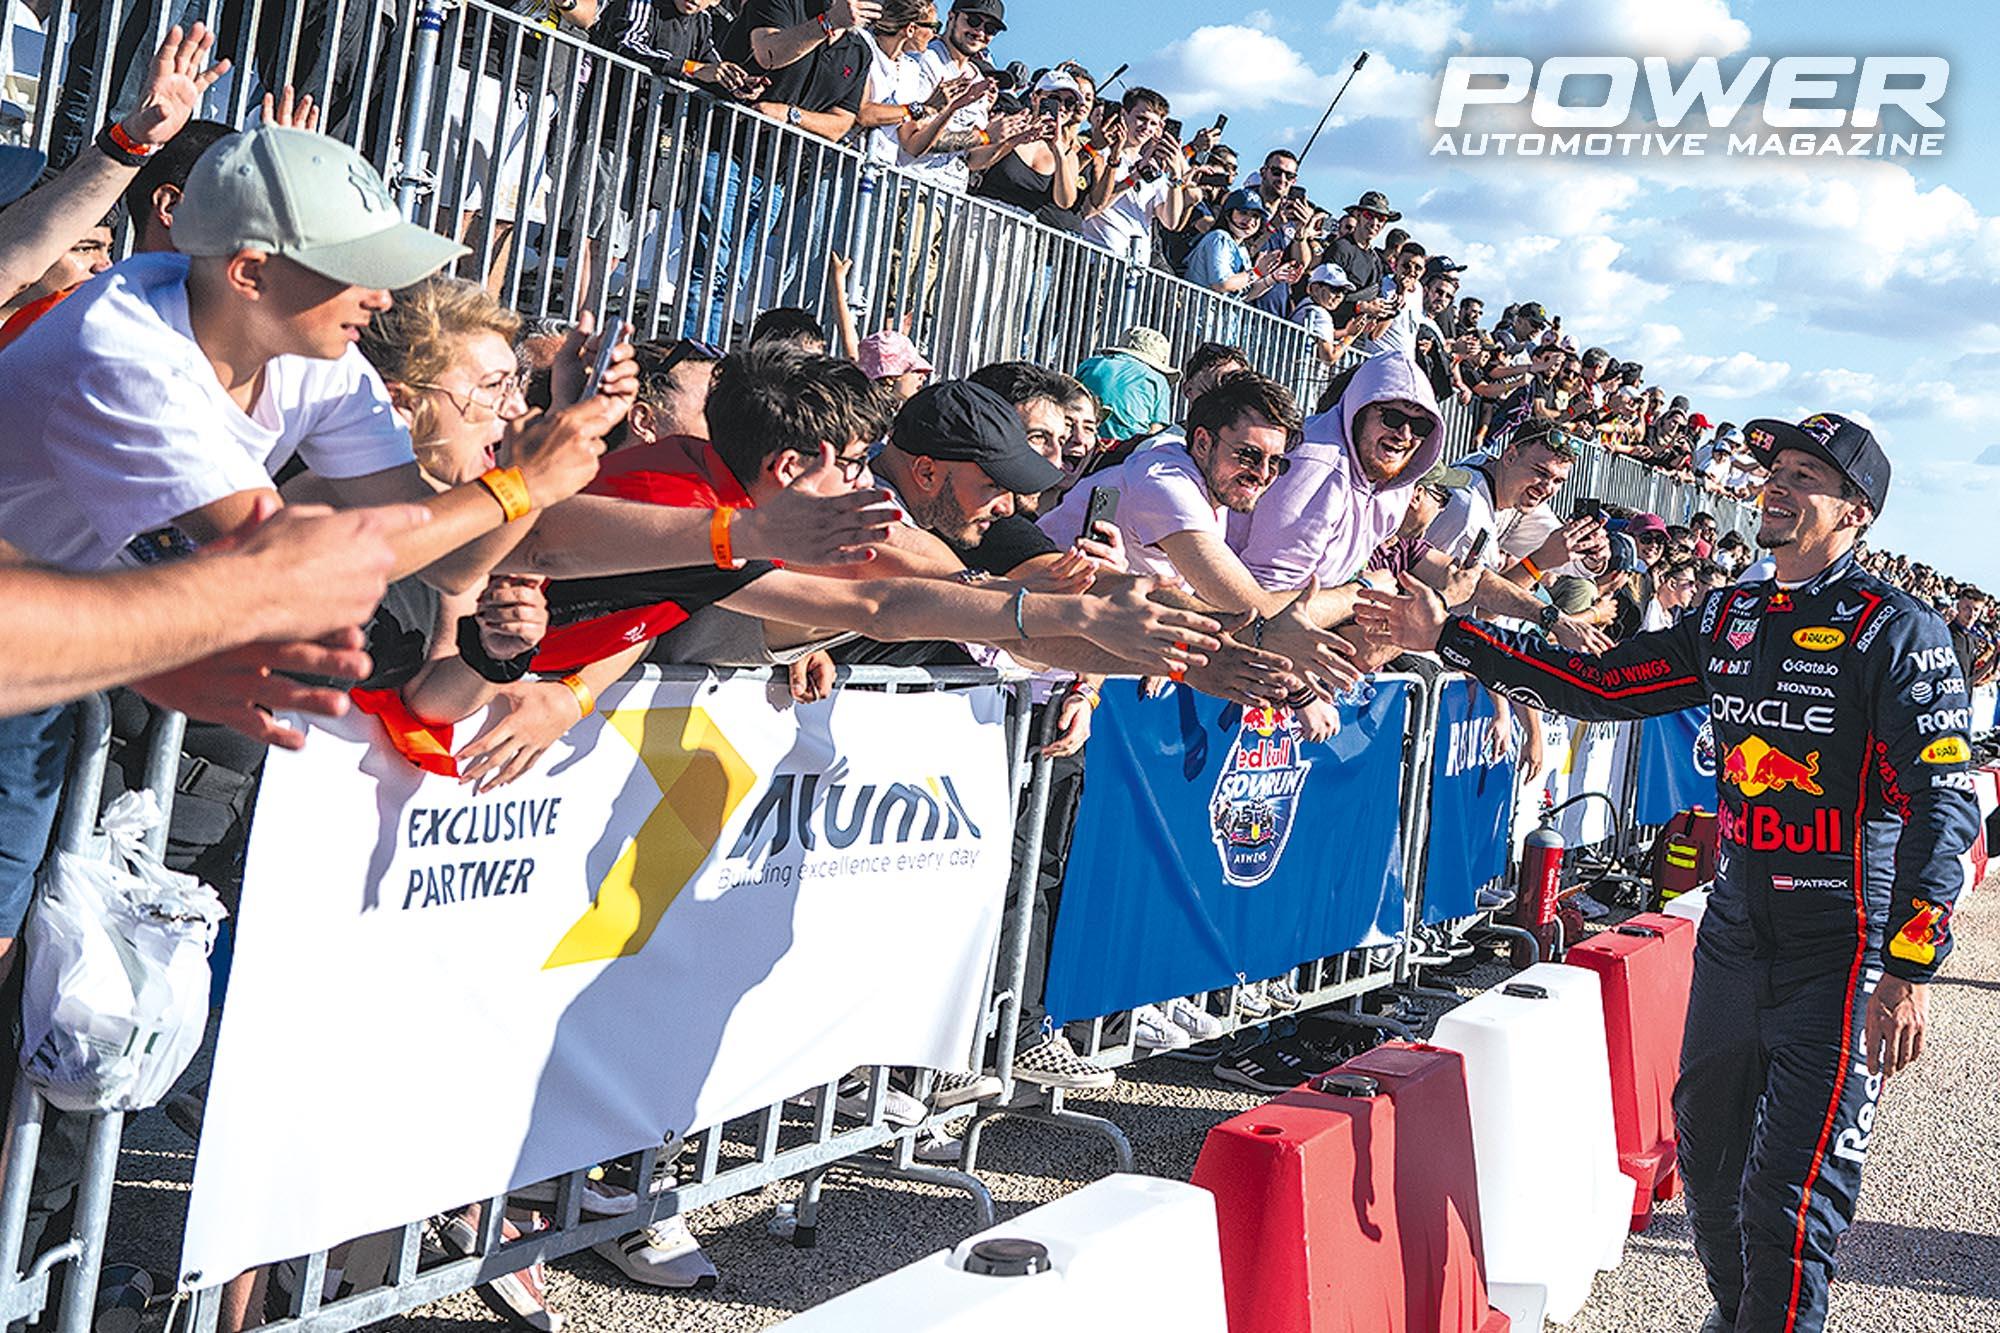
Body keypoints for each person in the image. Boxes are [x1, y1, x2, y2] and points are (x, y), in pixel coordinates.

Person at [1356, 411, 1976, 1333]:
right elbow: (1600, 686)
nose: (1778, 485)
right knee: (1710, 1166)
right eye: (1776, 469)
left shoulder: (1897, 629)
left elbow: (1944, 805)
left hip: (1843, 947)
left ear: (1856, 512)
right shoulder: (1728, 615)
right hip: (1735, 932)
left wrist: (1911, 967)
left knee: (1789, 1197)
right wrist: (1452, 636)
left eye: (1806, 476)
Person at [1184, 188, 1298, 302]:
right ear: (1228, 214)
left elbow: (1244, 295)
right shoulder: (1219, 237)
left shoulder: (1242, 249)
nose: (1250, 220)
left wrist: (1273, 278)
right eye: (1243, 212)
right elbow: (1221, 284)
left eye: (1256, 216)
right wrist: (1257, 272)